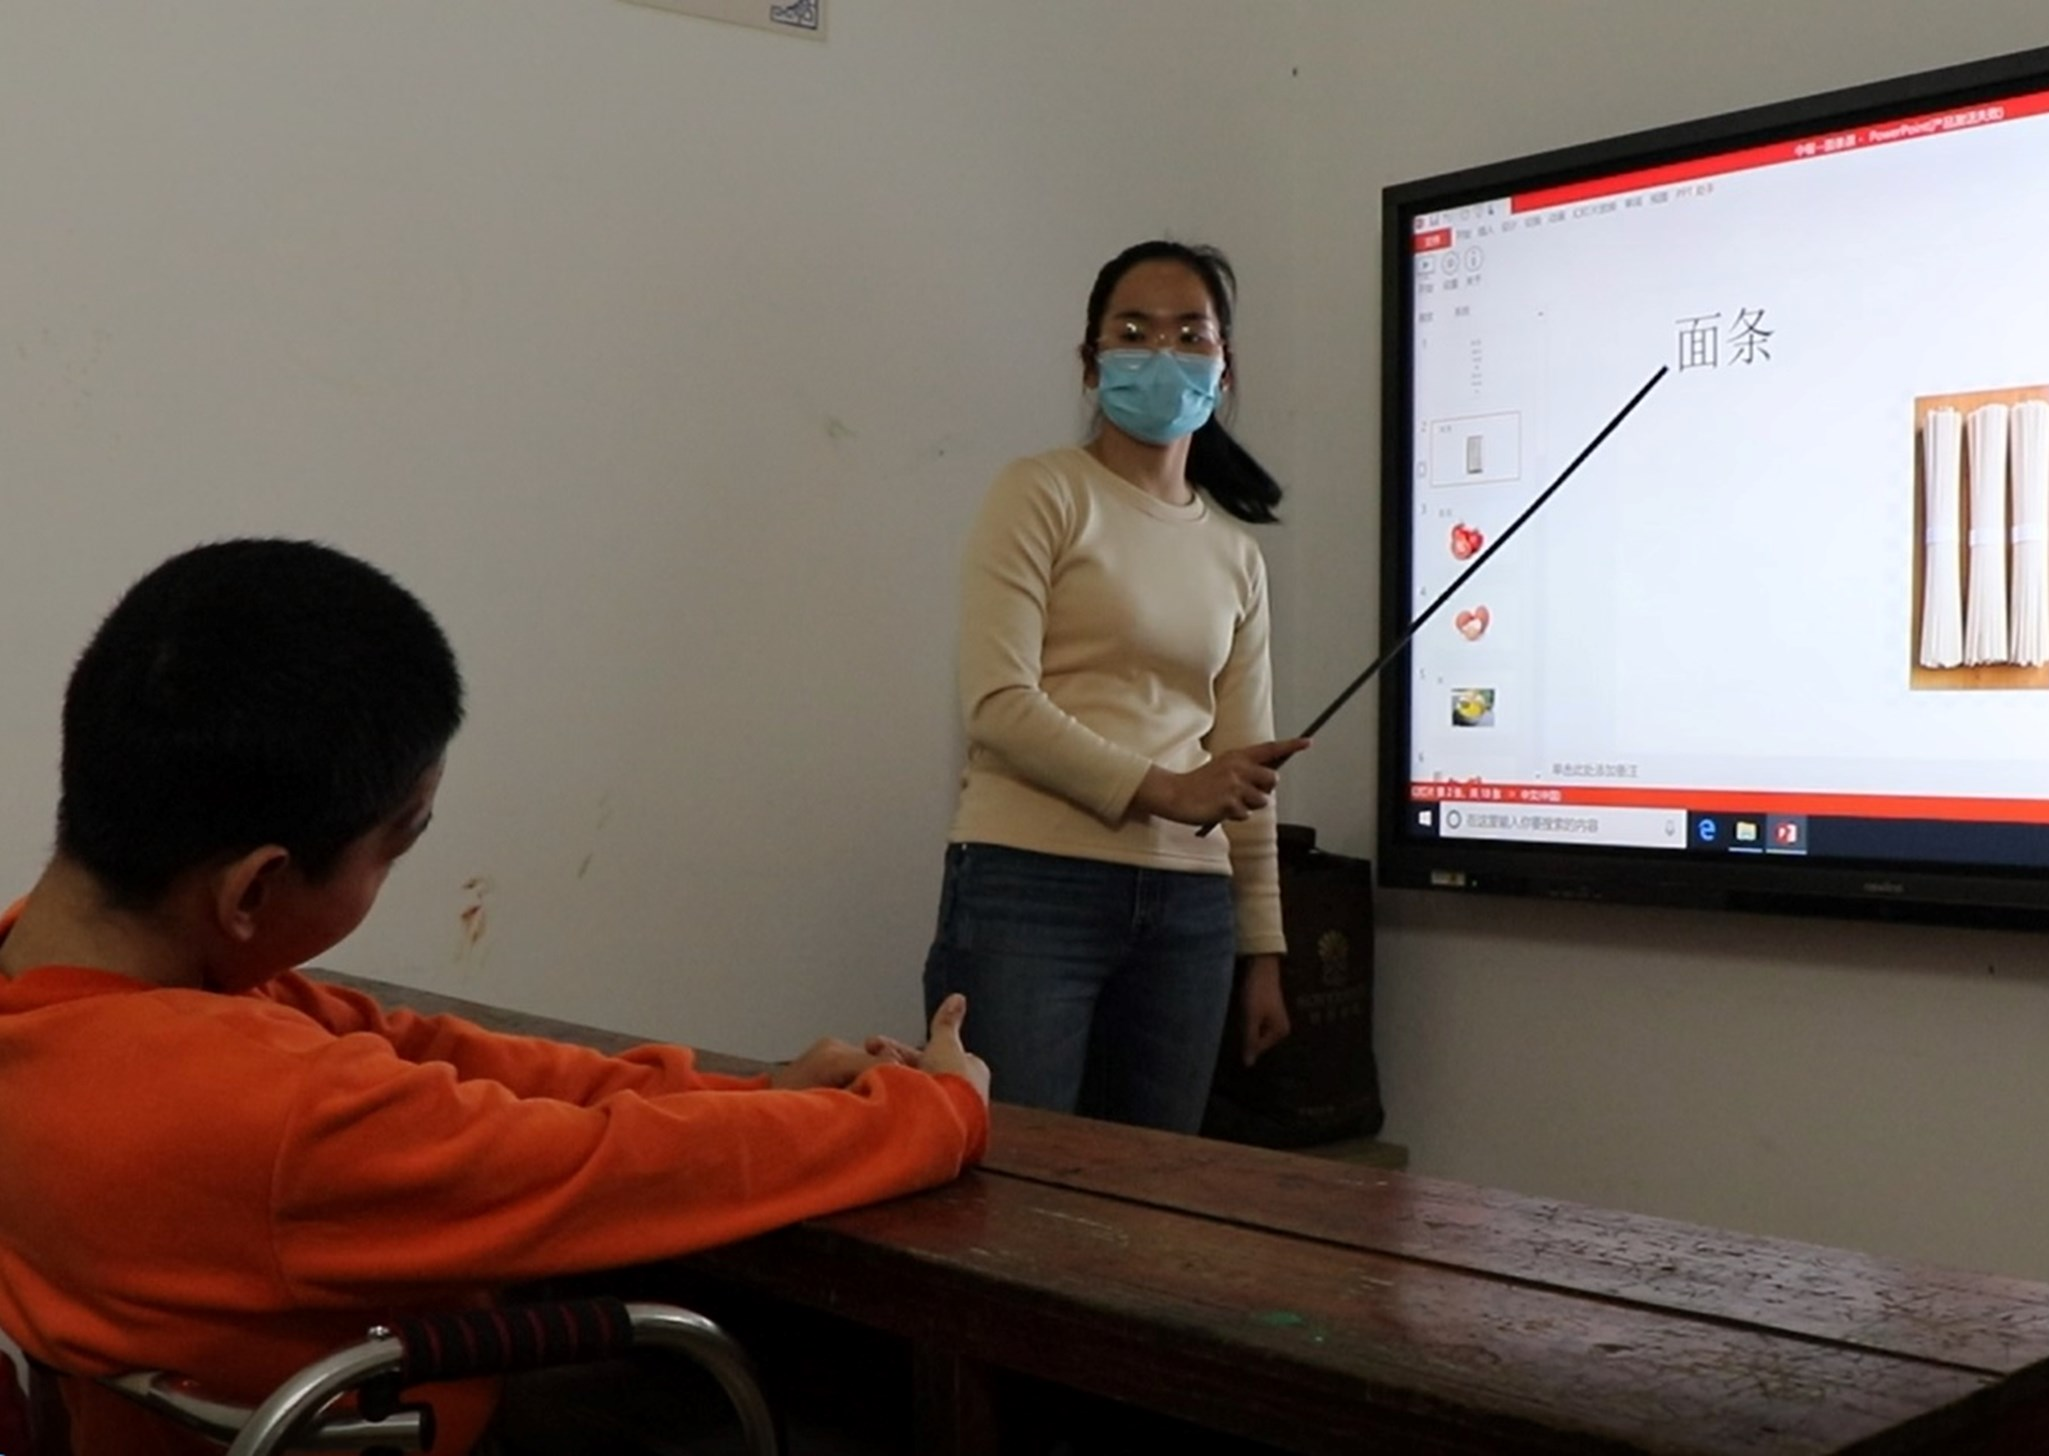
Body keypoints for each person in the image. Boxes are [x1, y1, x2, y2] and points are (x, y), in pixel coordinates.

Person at [0, 538, 991, 1456]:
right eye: (399, 841)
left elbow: (427, 1054)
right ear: (255, 888)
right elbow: (610, 1171)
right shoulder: (271, 1113)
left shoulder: (62, 989)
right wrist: (934, 1112)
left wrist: (761, 1092)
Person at [923, 240, 1308, 1135]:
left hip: (1191, 916)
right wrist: (1170, 790)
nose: (1162, 353)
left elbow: (1244, 771)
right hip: (1028, 887)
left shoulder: (1236, 554)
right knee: (1004, 1177)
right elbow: (998, 704)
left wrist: (1264, 952)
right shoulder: (1043, 493)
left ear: (1225, 363)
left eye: (1190, 333)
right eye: (1134, 331)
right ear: (1091, 361)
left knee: (1145, 1200)